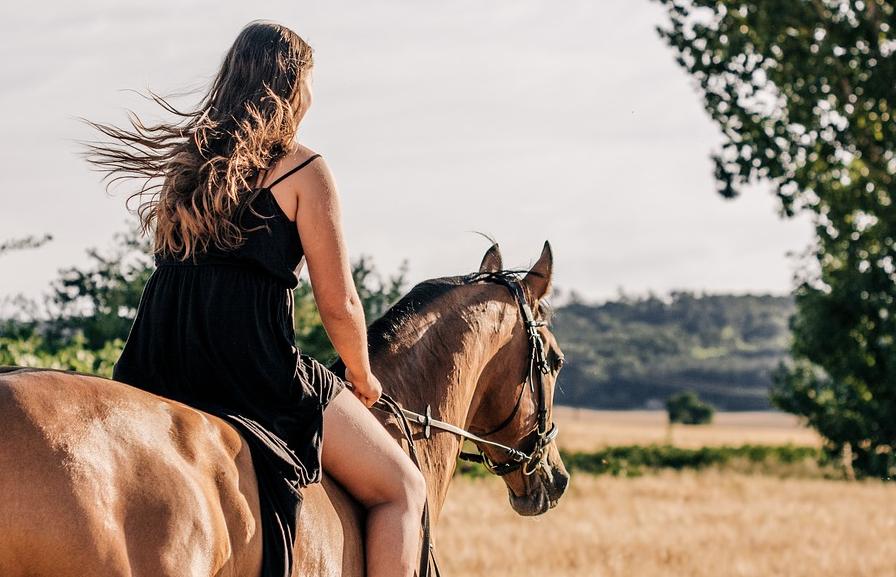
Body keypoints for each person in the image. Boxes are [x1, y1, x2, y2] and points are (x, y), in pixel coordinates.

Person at [81, 19, 427, 577]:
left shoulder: (187, 166)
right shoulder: (304, 169)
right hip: (250, 371)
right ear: (292, 84)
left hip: (160, 362)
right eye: (310, 80)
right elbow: (339, 305)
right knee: (403, 490)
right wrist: (364, 379)